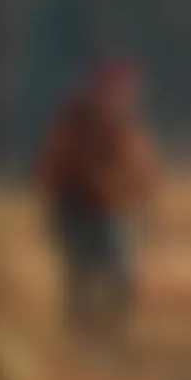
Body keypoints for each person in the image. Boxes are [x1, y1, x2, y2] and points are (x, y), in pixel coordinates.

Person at [35, 61, 159, 341]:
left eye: (127, 90)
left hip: (117, 212)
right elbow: (52, 167)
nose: (125, 95)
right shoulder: (74, 122)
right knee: (84, 278)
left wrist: (145, 203)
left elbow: (141, 169)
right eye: (117, 89)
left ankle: (112, 336)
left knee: (121, 278)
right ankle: (80, 338)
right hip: (78, 210)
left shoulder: (128, 125)